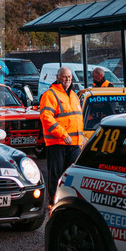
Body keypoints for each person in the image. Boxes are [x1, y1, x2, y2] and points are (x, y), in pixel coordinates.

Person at [39, 67, 84, 206]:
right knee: (56, 176)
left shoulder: (74, 95)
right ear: (58, 77)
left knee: (72, 176)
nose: (68, 80)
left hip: (74, 144)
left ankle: (69, 202)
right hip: (57, 143)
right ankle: (54, 203)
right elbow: (46, 117)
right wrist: (62, 134)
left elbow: (78, 119)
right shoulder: (50, 95)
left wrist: (81, 139)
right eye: (65, 77)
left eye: (69, 77)